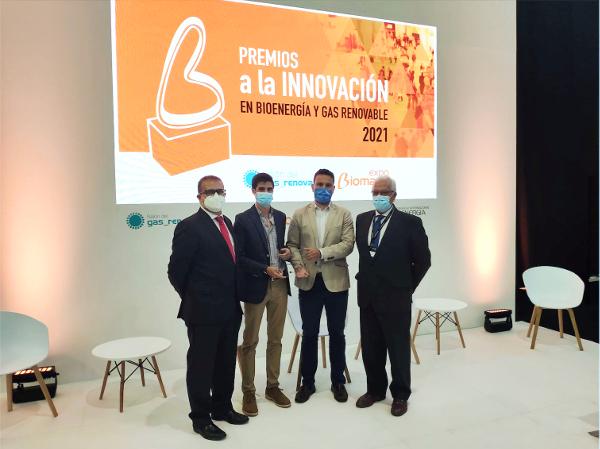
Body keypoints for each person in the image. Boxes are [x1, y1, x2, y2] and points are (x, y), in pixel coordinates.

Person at [167, 175, 248, 441]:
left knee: (226, 363)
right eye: (210, 191)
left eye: (220, 191)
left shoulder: (228, 223)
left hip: (230, 308)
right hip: (203, 312)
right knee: (201, 367)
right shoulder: (189, 226)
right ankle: (201, 418)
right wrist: (195, 298)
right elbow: (176, 271)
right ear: (199, 197)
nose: (216, 196)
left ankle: (222, 408)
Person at [354, 176, 431, 417]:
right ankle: (375, 390)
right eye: (375, 192)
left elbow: (423, 261)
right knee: (371, 348)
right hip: (367, 296)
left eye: (384, 192)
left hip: (396, 297)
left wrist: (407, 287)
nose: (379, 196)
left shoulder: (410, 223)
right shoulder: (362, 219)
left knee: (398, 349)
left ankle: (400, 395)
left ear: (394, 196)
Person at [286, 168, 355, 403]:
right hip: (308, 281)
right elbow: (292, 245)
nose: (323, 189)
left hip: (336, 282)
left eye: (328, 185)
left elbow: (348, 245)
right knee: (309, 334)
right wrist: (298, 266)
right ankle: (308, 383)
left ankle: (338, 381)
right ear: (312, 186)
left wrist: (322, 252)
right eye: (320, 184)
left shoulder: (344, 214)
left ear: (333, 188)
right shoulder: (299, 214)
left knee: (337, 333)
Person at [234, 173, 292, 416]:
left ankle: (272, 386)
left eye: (269, 188)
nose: (266, 192)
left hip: (279, 285)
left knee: (276, 339)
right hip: (256, 286)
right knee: (250, 341)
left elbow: (280, 247)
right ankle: (248, 391)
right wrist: (263, 269)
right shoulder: (243, 219)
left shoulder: (280, 216)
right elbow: (239, 257)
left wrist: (287, 253)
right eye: (261, 188)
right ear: (253, 191)